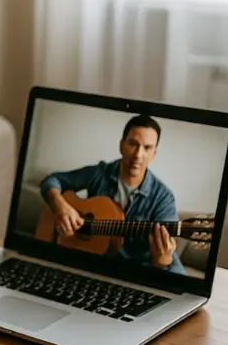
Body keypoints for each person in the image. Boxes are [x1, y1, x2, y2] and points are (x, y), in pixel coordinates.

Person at [39, 114, 186, 275]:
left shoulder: (163, 198)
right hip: (89, 264)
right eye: (132, 144)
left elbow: (166, 258)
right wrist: (60, 206)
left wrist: (163, 262)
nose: (138, 155)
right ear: (121, 146)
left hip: (130, 273)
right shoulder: (100, 173)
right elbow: (52, 180)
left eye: (147, 148)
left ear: (153, 154)